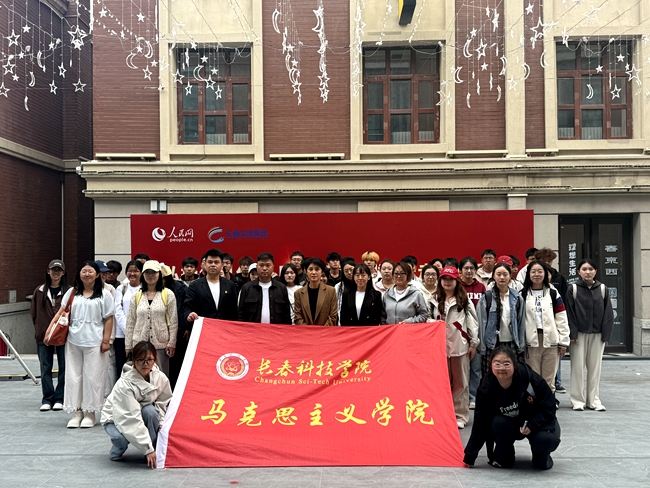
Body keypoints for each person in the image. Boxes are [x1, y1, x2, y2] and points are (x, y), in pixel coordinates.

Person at [464, 345, 561, 470]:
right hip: (510, 424)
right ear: (491, 365)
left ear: (514, 365)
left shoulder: (531, 379)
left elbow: (549, 407)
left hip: (537, 422)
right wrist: (470, 455)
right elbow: (480, 421)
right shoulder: (486, 387)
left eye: (506, 364)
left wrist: (532, 425)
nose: (501, 368)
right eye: (497, 363)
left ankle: (541, 455)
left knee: (544, 442)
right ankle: (505, 456)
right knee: (497, 424)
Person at [45, 260, 115, 428]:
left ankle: (90, 413)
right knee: (73, 377)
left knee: (93, 377)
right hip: (73, 341)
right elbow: (60, 313)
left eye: (90, 271)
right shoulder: (72, 292)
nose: (87, 274)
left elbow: (109, 318)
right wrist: (49, 331)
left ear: (97, 275)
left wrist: (106, 341)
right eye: (84, 271)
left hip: (95, 342)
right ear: (79, 274)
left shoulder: (105, 294)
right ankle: (77, 412)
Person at [101, 341, 172, 468]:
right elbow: (130, 418)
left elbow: (163, 401)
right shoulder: (124, 384)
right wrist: (147, 448)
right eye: (141, 360)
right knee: (120, 439)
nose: (146, 364)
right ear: (134, 361)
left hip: (141, 412)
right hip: (117, 416)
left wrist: (161, 421)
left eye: (149, 360)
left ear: (154, 360)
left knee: (150, 412)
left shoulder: (160, 377)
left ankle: (154, 450)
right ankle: (117, 450)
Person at [430, 266, 479, 429]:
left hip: (460, 346)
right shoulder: (433, 299)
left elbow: (473, 322)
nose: (447, 282)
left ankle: (460, 415)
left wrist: (473, 343)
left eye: (451, 279)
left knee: (461, 382)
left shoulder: (464, 300)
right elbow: (426, 319)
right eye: (444, 279)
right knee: (441, 382)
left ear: (457, 281)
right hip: (439, 348)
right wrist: (433, 322)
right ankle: (443, 413)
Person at [565, 258, 614, 412]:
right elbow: (569, 313)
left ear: (595, 271)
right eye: (584, 269)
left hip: (597, 334)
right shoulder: (573, 289)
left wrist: (606, 335)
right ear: (578, 272)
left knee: (595, 368)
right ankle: (577, 400)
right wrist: (572, 334)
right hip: (578, 335)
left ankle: (593, 400)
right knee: (577, 368)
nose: (588, 272)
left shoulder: (602, 289)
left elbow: (608, 313)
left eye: (591, 269)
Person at [521, 261, 570, 395]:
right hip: (531, 341)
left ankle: (548, 405)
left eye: (540, 271)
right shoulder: (522, 294)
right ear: (528, 274)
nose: (536, 274)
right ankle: (535, 406)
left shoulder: (553, 293)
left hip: (551, 340)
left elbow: (561, 318)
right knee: (533, 378)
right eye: (533, 272)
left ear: (546, 274)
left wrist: (563, 341)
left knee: (549, 379)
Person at [125, 261, 178, 377]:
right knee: (140, 375)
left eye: (154, 272)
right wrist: (128, 345)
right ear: (143, 275)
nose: (150, 275)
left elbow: (173, 321)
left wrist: (171, 343)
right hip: (139, 343)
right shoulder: (136, 295)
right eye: (147, 272)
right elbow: (130, 322)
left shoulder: (168, 294)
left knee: (160, 375)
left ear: (159, 274)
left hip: (161, 345)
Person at [30, 259, 71, 412]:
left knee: (64, 367)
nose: (56, 273)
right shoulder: (40, 291)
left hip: (63, 335)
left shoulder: (69, 291)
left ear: (63, 273)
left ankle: (60, 398)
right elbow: (34, 313)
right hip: (43, 336)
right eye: (53, 270)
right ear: (48, 271)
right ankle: (47, 398)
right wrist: (39, 328)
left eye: (59, 270)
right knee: (45, 367)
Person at [476, 262, 526, 375]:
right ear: (493, 276)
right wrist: (482, 347)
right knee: (491, 376)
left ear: (510, 276)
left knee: (510, 375)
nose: (502, 277)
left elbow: (521, 323)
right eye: (498, 274)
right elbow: (481, 324)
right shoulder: (486, 298)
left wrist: (521, 346)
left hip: (511, 343)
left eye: (505, 274)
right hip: (492, 344)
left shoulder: (517, 298)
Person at [459, 256, 486, 410]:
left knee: (475, 367)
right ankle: (460, 397)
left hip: (477, 332)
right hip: (461, 331)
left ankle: (473, 397)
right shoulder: (457, 286)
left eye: (472, 268)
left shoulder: (481, 287)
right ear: (460, 270)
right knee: (461, 368)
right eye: (466, 268)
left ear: (476, 270)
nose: (469, 271)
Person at [238, 253, 292, 325]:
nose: (264, 268)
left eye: (268, 265)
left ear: (273, 267)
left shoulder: (281, 288)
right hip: (252, 330)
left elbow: (286, 316)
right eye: (261, 265)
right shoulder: (247, 288)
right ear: (257, 267)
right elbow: (241, 315)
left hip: (275, 330)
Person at [114, 260, 143, 378]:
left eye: (136, 271)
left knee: (139, 363)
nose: (132, 274)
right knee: (122, 365)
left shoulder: (145, 289)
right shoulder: (121, 289)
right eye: (130, 271)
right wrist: (128, 330)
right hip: (121, 334)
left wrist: (134, 332)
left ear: (141, 273)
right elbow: (118, 310)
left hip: (140, 333)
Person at [293, 258, 338, 325]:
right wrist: (308, 330)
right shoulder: (298, 293)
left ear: (322, 272)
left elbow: (333, 316)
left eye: (317, 269)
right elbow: (297, 317)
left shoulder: (331, 291)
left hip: (325, 330)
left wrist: (321, 330)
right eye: (310, 269)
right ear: (306, 271)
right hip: (305, 330)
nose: (313, 272)